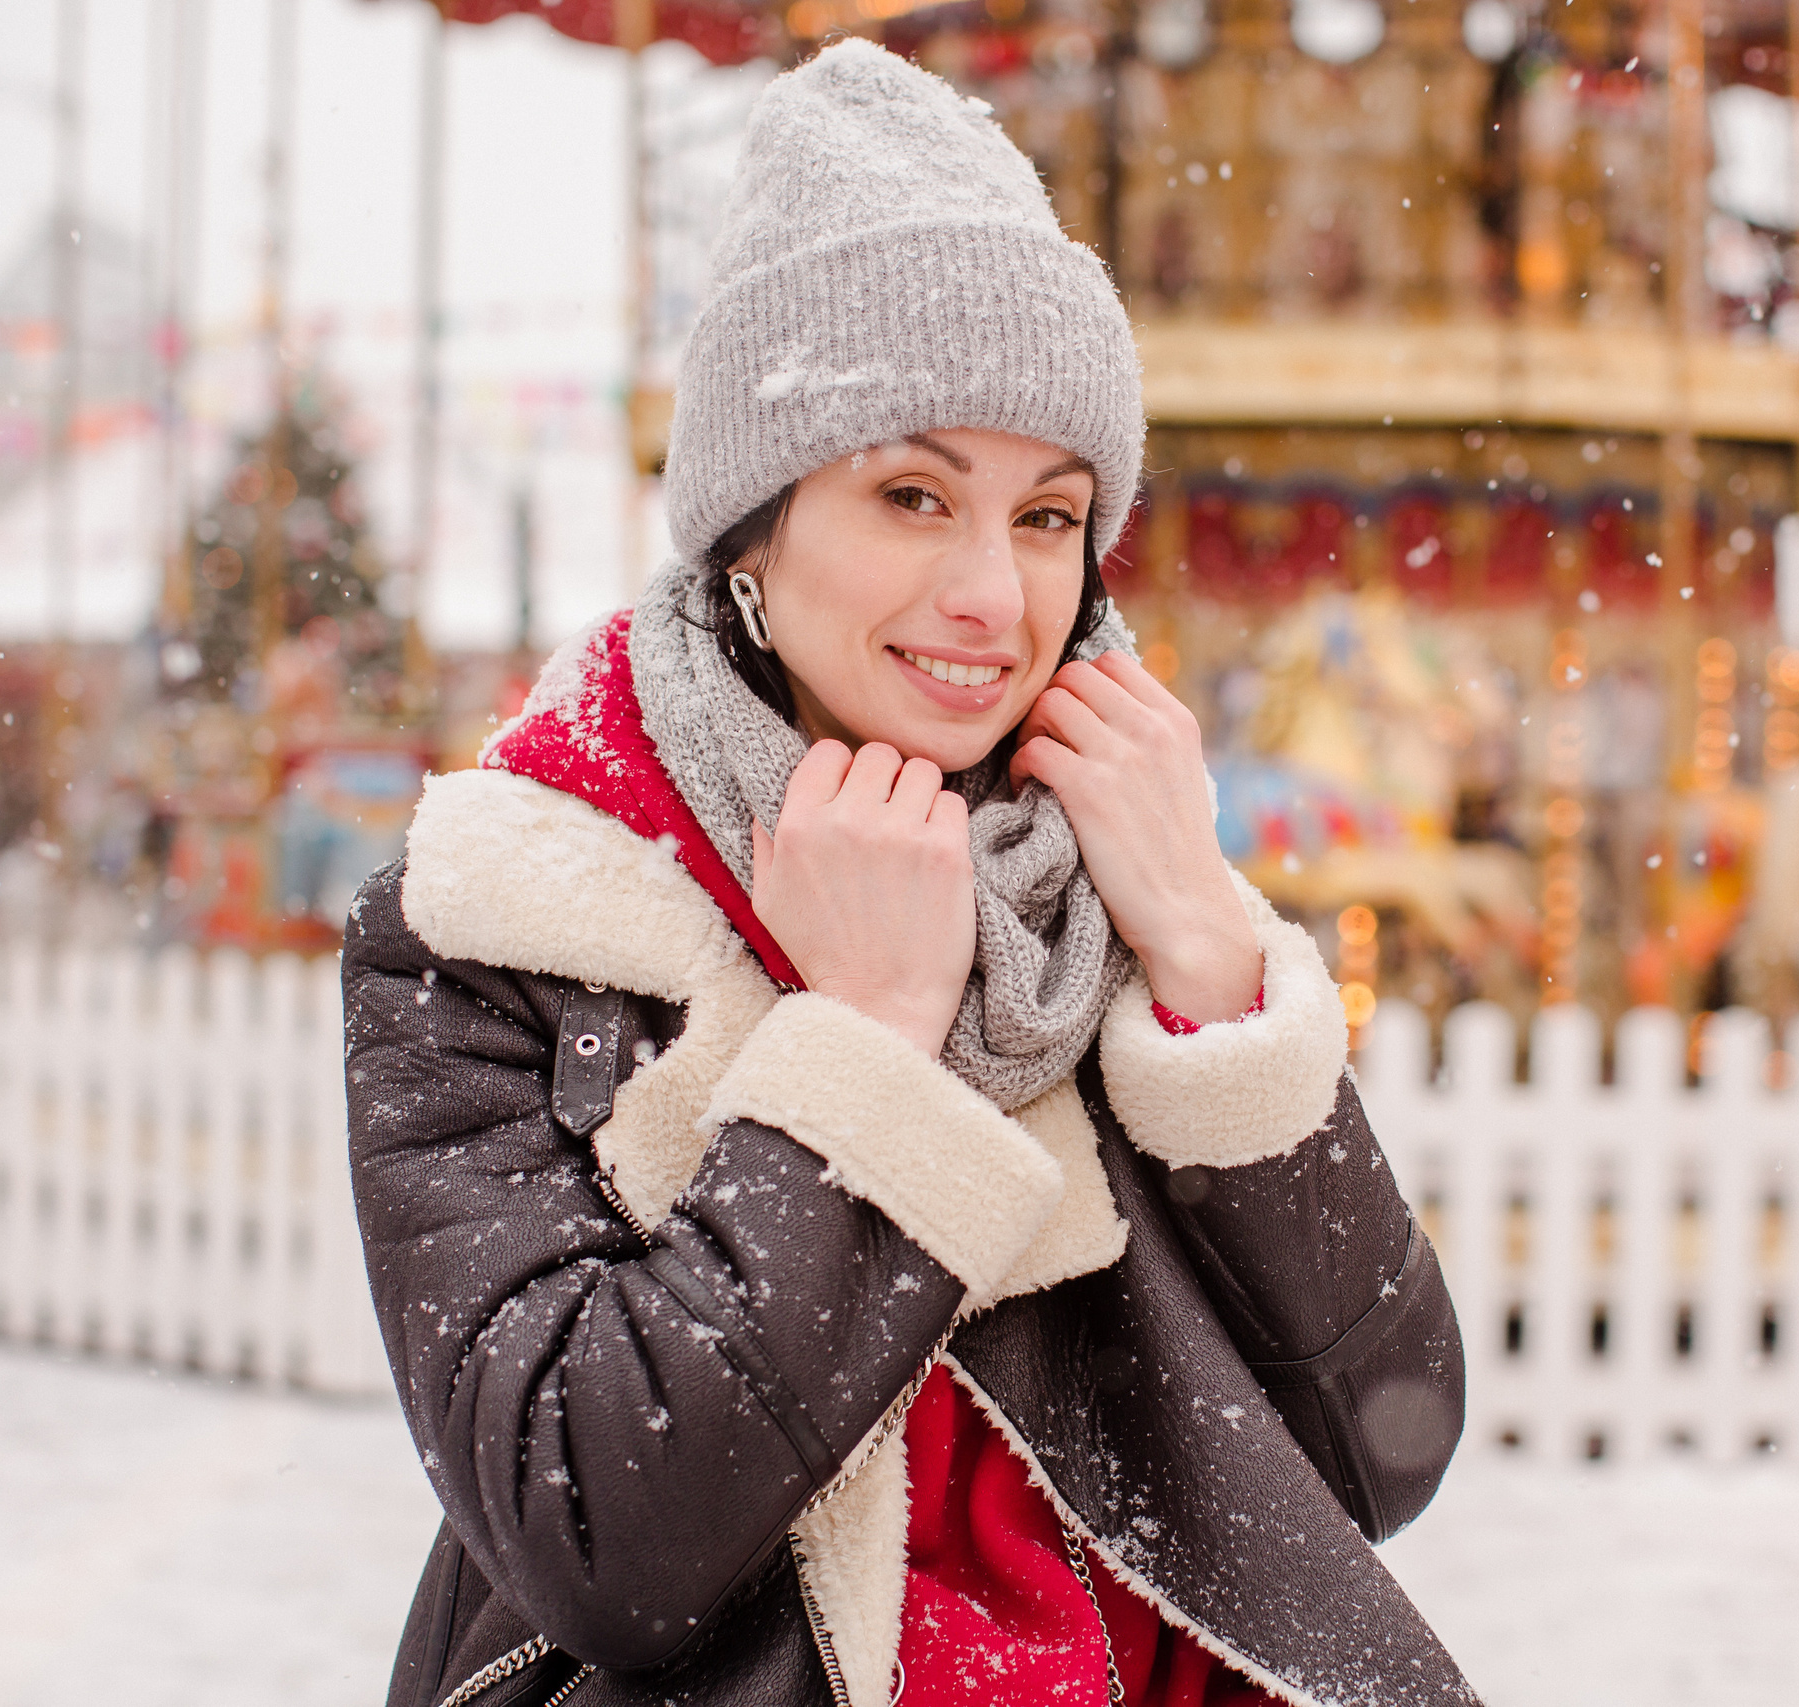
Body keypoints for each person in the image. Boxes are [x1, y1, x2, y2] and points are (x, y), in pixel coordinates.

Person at [344, 41, 1468, 1707]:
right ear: (750, 535)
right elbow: (602, 1545)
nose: (992, 598)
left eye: (1046, 515)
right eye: (912, 493)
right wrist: (864, 1044)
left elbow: (1383, 1450)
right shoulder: (498, 924)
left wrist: (1210, 971)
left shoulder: (1092, 891)